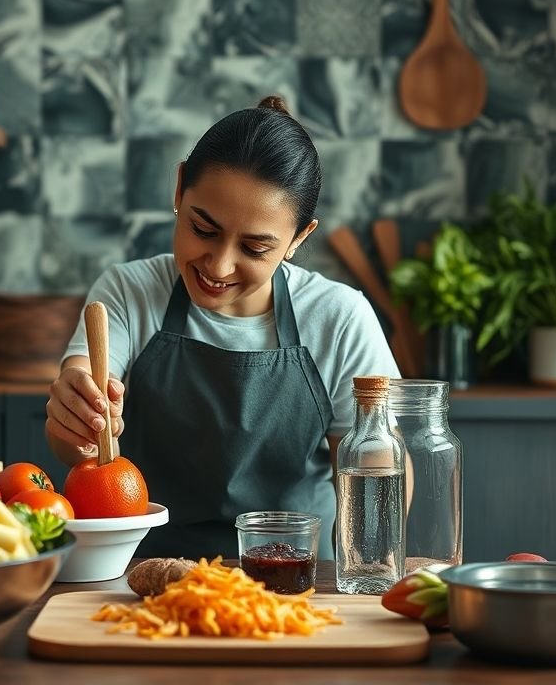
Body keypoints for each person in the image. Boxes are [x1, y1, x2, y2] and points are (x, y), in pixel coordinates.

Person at [45, 95, 400, 559]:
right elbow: (73, 445)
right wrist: (76, 417)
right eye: (203, 229)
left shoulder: (339, 318)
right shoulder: (129, 293)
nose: (219, 264)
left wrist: (380, 458)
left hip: (295, 584)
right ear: (179, 189)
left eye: (254, 248)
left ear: (298, 239)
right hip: (143, 577)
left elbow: (378, 488)